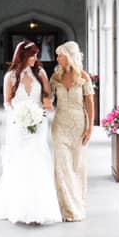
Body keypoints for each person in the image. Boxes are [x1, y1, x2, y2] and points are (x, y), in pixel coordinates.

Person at [0, 40, 62, 225]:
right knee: (21, 160)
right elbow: (7, 102)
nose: (36, 59)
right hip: (19, 125)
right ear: (23, 56)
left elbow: (48, 94)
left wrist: (43, 106)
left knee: (39, 158)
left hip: (39, 122)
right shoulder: (10, 76)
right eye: (33, 55)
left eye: (36, 55)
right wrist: (21, 116)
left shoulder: (41, 73)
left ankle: (41, 206)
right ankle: (20, 205)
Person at [50, 41, 94, 222]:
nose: (57, 58)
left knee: (77, 167)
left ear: (69, 55)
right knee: (61, 167)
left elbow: (90, 103)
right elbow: (48, 99)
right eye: (57, 55)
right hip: (60, 124)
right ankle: (66, 209)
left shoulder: (83, 76)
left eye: (60, 55)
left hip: (78, 125)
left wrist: (90, 128)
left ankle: (78, 205)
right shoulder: (56, 77)